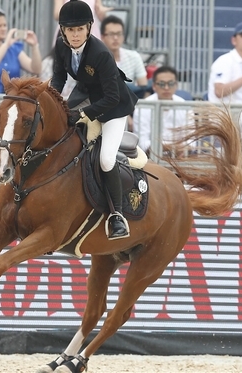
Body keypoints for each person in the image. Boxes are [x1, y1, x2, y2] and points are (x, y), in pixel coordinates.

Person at [51, 0, 138, 240]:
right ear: (63, 31)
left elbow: (111, 97)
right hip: (86, 97)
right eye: (71, 30)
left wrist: (82, 114)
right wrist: (51, 102)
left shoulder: (100, 53)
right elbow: (58, 79)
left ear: (89, 28)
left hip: (114, 108)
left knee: (106, 159)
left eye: (80, 29)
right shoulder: (61, 46)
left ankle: (117, 216)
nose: (75, 34)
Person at [132, 66, 191, 154]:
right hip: (151, 158)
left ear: (176, 85)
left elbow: (191, 140)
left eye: (170, 83)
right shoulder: (143, 106)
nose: (166, 88)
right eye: (162, 84)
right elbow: (142, 143)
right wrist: (171, 147)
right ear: (154, 86)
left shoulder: (185, 106)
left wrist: (182, 148)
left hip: (181, 157)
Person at [101, 15, 149, 98]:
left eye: (119, 34)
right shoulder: (95, 59)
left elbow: (143, 87)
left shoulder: (134, 57)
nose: (115, 38)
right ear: (102, 37)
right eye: (111, 34)